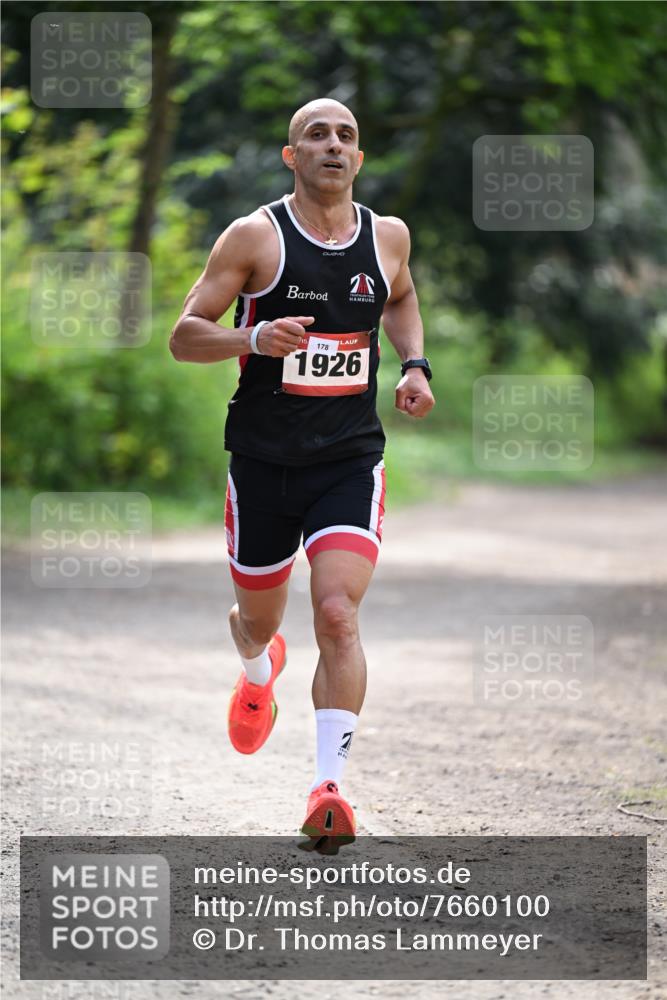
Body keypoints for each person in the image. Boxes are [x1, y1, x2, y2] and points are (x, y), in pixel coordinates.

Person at [170, 98, 435, 850]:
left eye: (346, 135)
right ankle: (258, 672)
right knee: (257, 620)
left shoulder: (387, 236)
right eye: (316, 135)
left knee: (337, 614)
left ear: (359, 157)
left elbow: (401, 296)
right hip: (262, 462)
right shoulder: (254, 236)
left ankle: (328, 790)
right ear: (292, 156)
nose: (333, 145)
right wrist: (253, 338)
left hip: (348, 459)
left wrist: (414, 364)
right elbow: (184, 336)